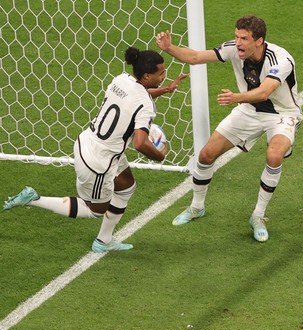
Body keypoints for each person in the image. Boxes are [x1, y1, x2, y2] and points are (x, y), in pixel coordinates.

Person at [3, 46, 181, 253]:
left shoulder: (121, 80)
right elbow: (140, 143)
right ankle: (34, 199)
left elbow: (137, 98)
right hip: (99, 161)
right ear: (147, 76)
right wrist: (160, 155)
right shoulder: (145, 106)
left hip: (89, 142)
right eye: (161, 73)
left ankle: (103, 241)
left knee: (126, 187)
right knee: (95, 210)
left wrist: (165, 89)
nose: (164, 76)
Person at [156, 15, 303, 242]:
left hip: (282, 115)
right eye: (236, 36)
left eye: (244, 38)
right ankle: (196, 207)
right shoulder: (233, 49)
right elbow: (196, 57)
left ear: (259, 41)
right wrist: (169, 48)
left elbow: (265, 92)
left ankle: (258, 216)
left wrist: (236, 98)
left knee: (274, 155)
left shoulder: (280, 60)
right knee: (206, 154)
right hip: (249, 110)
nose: (238, 43)